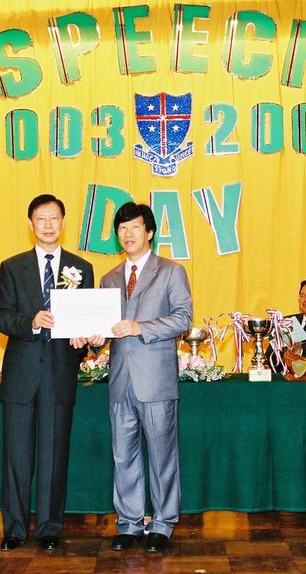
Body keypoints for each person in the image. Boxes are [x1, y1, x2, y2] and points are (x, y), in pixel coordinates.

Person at [86, 202, 192, 553]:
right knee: (123, 456)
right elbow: (106, 330)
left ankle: (162, 524)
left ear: (149, 232)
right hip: (120, 380)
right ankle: (129, 523)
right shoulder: (109, 278)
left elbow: (183, 319)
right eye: (122, 228)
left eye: (134, 227)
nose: (128, 234)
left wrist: (139, 327)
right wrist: (95, 339)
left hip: (156, 380)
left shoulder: (171, 271)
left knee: (162, 456)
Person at [0, 194, 95, 552]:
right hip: (21, 373)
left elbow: (87, 320)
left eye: (54, 218)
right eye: (41, 219)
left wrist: (85, 340)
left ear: (63, 222)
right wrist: (31, 321)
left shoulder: (82, 268)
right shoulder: (11, 267)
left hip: (60, 372)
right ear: (31, 224)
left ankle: (50, 527)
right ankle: (14, 529)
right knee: (16, 456)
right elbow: (2, 317)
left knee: (54, 453)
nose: (48, 225)